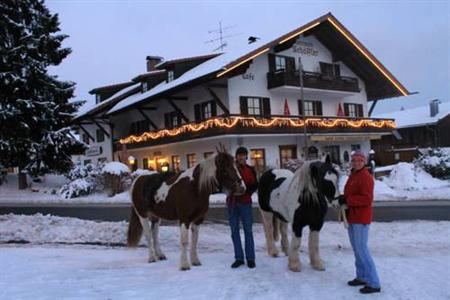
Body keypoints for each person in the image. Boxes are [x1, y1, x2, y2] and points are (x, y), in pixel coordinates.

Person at [338, 150, 381, 294]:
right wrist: (343, 197)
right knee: (357, 250)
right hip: (352, 217)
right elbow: (352, 193)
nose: (357, 163)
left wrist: (348, 200)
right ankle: (361, 277)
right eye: (354, 160)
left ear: (364, 162)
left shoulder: (365, 177)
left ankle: (374, 283)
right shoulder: (354, 175)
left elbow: (367, 199)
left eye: (360, 160)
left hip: (361, 219)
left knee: (362, 250)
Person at [227, 146, 258, 269]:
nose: (241, 157)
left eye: (243, 155)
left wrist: (245, 192)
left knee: (248, 231)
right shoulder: (230, 169)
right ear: (236, 156)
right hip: (232, 203)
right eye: (239, 155)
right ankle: (239, 258)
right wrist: (231, 190)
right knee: (234, 232)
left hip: (245, 203)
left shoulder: (251, 169)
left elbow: (255, 184)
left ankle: (250, 258)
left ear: (246, 156)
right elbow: (223, 184)